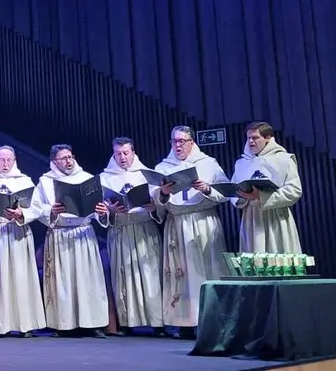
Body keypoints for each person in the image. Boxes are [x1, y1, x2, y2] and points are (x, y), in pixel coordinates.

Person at [154, 125, 229, 340]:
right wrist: (163, 194)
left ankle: (212, 320)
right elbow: (158, 203)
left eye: (182, 141)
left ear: (192, 142)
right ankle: (184, 323)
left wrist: (206, 189)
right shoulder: (163, 167)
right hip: (176, 223)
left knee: (206, 269)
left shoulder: (208, 163)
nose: (178, 145)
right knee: (182, 274)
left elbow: (226, 193)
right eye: (174, 141)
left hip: (203, 221)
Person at [34, 144, 109, 338]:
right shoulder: (45, 181)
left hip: (83, 232)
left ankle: (93, 324)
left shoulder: (87, 178)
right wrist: (50, 211)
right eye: (63, 158)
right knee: (63, 281)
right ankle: (63, 324)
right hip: (60, 233)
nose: (68, 161)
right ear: (54, 161)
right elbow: (36, 208)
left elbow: (100, 209)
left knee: (88, 280)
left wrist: (102, 212)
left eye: (70, 157)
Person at [95, 137, 165, 337]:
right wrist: (108, 210)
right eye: (118, 153)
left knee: (150, 274)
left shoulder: (147, 175)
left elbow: (159, 204)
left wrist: (154, 206)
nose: (122, 157)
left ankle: (157, 322)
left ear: (133, 152)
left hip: (144, 228)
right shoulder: (104, 177)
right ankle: (127, 322)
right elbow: (100, 210)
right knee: (123, 276)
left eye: (126, 153)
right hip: (120, 230)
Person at [0, 146, 47, 338]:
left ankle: (26, 324)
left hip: (18, 232)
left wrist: (21, 213)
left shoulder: (24, 181)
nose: (5, 164)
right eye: (1, 160)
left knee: (22, 278)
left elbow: (37, 207)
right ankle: (1, 325)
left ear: (14, 160)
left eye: (9, 160)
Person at [233, 121, 303, 253]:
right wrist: (242, 196)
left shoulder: (284, 159)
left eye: (255, 138)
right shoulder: (241, 163)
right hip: (251, 217)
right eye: (248, 138)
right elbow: (234, 190)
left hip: (276, 215)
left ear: (268, 138)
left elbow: (294, 190)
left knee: (278, 256)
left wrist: (261, 196)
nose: (251, 142)